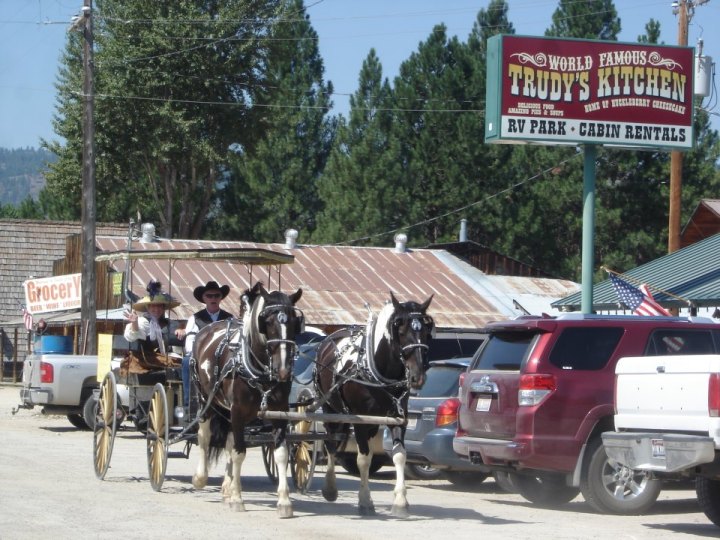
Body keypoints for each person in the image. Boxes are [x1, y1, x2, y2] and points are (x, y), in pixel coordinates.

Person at [181, 280, 233, 407]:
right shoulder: (195, 318)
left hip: (223, 359)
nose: (213, 298)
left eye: (217, 295)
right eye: (209, 296)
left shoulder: (230, 318)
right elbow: (190, 342)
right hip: (201, 357)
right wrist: (197, 355)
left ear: (221, 298)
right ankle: (189, 403)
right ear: (204, 298)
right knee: (187, 362)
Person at [122, 280, 184, 375]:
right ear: (147, 307)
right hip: (146, 358)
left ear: (163, 308)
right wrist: (134, 323)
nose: (156, 309)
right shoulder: (143, 321)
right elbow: (133, 335)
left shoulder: (170, 323)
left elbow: (181, 330)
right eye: (153, 306)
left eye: (159, 306)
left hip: (167, 358)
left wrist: (182, 330)